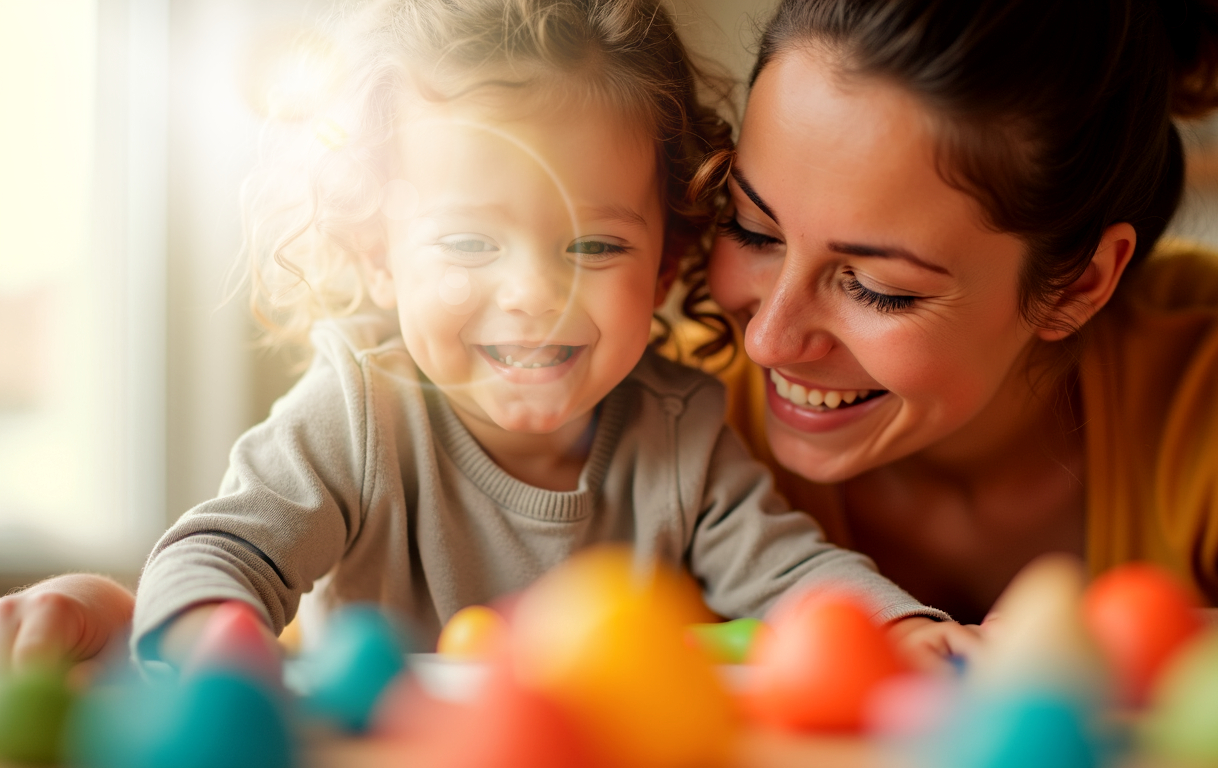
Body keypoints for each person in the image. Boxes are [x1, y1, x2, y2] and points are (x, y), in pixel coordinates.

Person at [0, 0, 978, 674]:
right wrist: (215, 642)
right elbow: (220, 555)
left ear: (673, 253)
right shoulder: (362, 414)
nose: (533, 295)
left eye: (594, 243)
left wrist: (902, 628)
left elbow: (792, 574)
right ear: (377, 249)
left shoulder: (677, 431)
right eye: (469, 241)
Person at [702, 0, 1218, 640]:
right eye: (751, 229)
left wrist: (1099, 647)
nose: (766, 340)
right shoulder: (674, 389)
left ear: (1075, 284)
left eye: (879, 289)